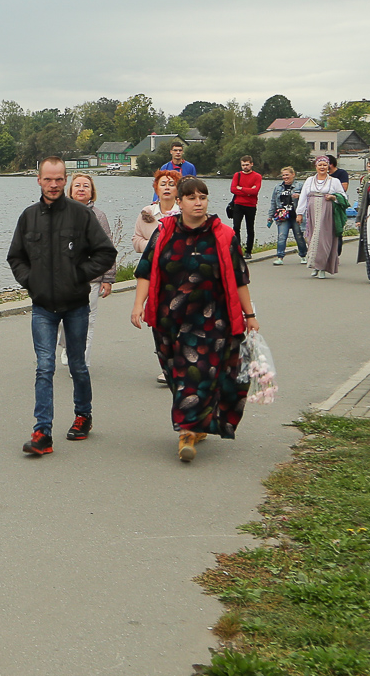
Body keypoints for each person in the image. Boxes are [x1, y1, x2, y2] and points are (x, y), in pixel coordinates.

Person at [129, 178, 258, 463]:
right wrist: (139, 305)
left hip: (212, 320)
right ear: (180, 202)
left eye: (203, 197)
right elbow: (146, 270)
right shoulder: (164, 232)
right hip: (169, 318)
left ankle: (187, 432)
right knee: (176, 372)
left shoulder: (223, 235)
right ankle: (197, 421)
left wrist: (249, 315)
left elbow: (240, 278)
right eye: (191, 198)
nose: (198, 202)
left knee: (197, 371)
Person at [7, 158, 117, 454]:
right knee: (44, 367)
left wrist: (78, 275)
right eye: (48, 179)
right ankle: (42, 431)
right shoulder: (29, 216)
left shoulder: (81, 215)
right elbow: (16, 256)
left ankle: (83, 415)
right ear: (39, 180)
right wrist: (31, 281)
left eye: (58, 179)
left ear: (65, 180)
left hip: (75, 304)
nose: (53, 185)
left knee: (78, 364)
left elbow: (106, 252)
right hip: (43, 306)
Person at [58, 173, 118, 366]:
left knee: (87, 320)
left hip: (91, 278)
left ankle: (80, 362)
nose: (82, 189)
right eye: (77, 185)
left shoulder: (98, 216)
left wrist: (108, 278)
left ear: (92, 192)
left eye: (86, 185)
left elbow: (108, 247)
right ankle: (68, 345)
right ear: (70, 190)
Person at [296, 155, 344, 278]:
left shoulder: (334, 181)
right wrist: (299, 213)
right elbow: (303, 196)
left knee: (323, 239)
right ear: (316, 166)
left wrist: (333, 197)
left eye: (324, 165)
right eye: (320, 165)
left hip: (327, 212)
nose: (322, 167)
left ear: (328, 166)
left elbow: (343, 197)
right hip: (312, 212)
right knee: (312, 238)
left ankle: (322, 267)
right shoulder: (309, 180)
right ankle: (315, 266)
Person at [132, 170, 182, 253]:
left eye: (171, 185)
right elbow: (136, 241)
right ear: (157, 189)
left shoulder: (184, 213)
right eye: (163, 184)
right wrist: (154, 245)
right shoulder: (147, 212)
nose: (167, 188)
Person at [266, 166, 307, 265]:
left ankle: (303, 255)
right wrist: (270, 216)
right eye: (283, 175)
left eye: (287, 175)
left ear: (293, 175)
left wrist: (299, 196)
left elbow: (307, 198)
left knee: (299, 237)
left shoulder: (300, 186)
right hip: (283, 216)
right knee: (282, 236)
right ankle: (280, 257)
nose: (285, 177)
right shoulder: (278, 187)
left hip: (296, 216)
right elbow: (273, 202)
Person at [227, 155, 262, 256]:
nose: (245, 167)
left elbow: (255, 191)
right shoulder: (237, 175)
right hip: (238, 204)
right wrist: (248, 191)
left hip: (251, 205)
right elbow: (233, 189)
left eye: (247, 165)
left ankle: (248, 251)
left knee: (250, 228)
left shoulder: (257, 176)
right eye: (243, 165)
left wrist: (241, 188)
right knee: (236, 227)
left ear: (251, 164)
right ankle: (237, 249)